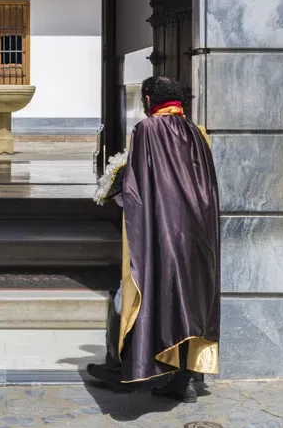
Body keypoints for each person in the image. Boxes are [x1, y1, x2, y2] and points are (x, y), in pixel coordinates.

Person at [86, 75, 220, 401]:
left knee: (138, 294)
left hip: (164, 232)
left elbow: (137, 186)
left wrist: (113, 189)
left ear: (147, 100)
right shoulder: (198, 133)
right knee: (190, 301)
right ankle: (185, 378)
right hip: (199, 236)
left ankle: (123, 369)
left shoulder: (148, 130)